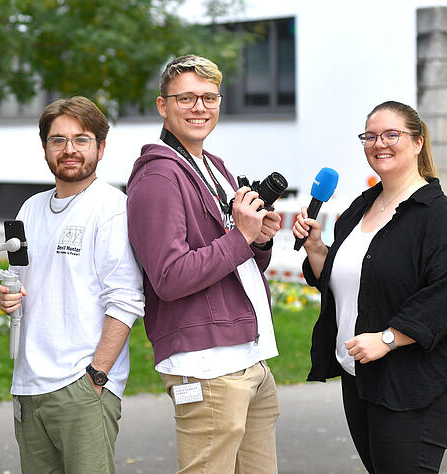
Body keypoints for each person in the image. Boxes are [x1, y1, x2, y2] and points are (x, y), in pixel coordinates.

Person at [292, 100, 447, 473]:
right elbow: (346, 280)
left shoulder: (436, 215)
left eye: (392, 134)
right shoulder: (362, 207)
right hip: (361, 375)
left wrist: (389, 338)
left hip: (415, 381)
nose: (380, 144)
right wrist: (316, 249)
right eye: (371, 136)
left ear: (417, 142)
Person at [126, 54, 283, 473]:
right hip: (207, 365)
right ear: (163, 106)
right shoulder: (158, 176)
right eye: (187, 98)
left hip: (247, 357)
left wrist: (259, 239)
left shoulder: (214, 167)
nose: (200, 108)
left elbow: (232, 258)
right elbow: (169, 276)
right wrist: (241, 237)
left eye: (209, 97)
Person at [0, 96, 145, 473]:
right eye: (58, 140)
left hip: (82, 386)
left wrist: (96, 377)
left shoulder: (111, 208)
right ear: (45, 147)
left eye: (81, 139)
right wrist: (9, 296)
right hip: (29, 388)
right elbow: (22, 284)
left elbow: (125, 301)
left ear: (101, 147)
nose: (69, 150)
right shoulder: (29, 209)